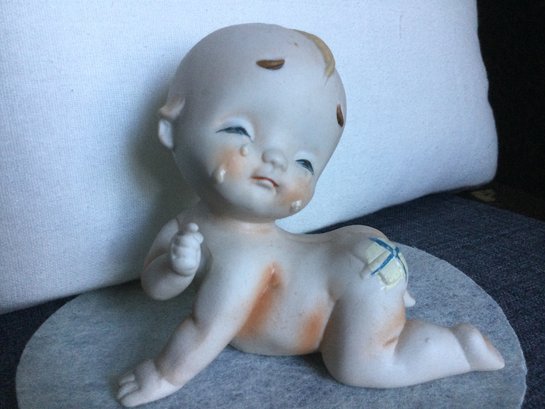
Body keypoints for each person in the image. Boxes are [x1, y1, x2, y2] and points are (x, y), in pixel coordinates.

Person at [117, 23, 504, 407]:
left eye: (304, 162)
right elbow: (155, 286)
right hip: (356, 247)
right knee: (365, 297)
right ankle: (391, 298)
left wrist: (163, 373)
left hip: (354, 283)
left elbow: (208, 326)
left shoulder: (242, 260)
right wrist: (177, 269)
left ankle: (459, 347)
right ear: (170, 127)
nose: (276, 160)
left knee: (360, 364)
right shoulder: (186, 225)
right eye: (241, 130)